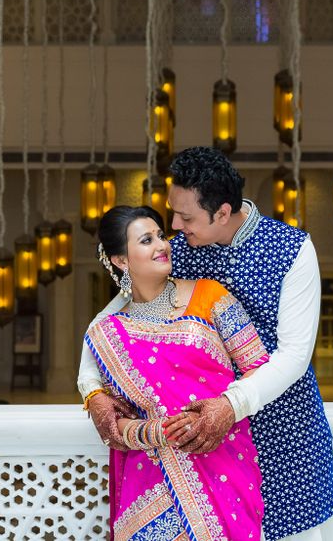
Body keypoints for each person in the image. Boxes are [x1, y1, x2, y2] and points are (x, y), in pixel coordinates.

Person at [79, 147, 333, 541]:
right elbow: (107, 322)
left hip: (283, 429)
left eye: (185, 217)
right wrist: (93, 392)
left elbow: (294, 356)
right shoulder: (179, 249)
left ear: (222, 212)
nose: (173, 225)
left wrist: (230, 406)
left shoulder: (291, 250)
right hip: (204, 442)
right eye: (172, 212)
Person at [85, 205, 267, 540]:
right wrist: (155, 433)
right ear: (121, 260)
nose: (162, 244)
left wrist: (224, 408)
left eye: (160, 235)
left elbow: (260, 369)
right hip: (151, 476)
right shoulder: (108, 334)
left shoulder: (211, 296)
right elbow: (116, 419)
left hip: (225, 459)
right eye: (146, 240)